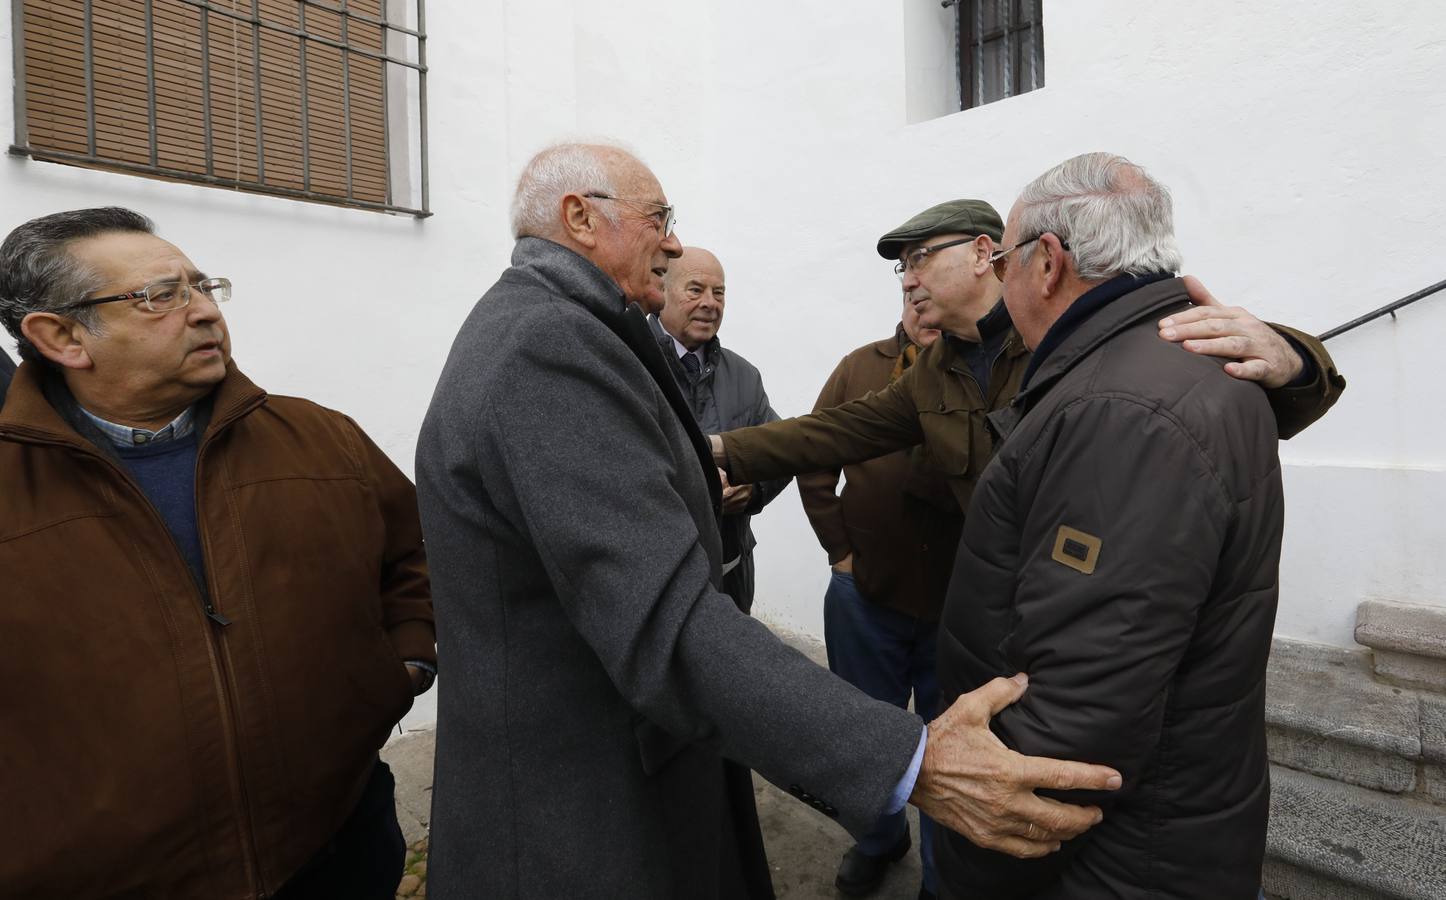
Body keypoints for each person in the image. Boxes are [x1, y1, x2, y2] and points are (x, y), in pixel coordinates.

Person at [416, 142, 1122, 900]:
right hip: (579, 803)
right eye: (661, 218)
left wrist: (1274, 364)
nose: (676, 242)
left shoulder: (560, 328)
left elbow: (1166, 374)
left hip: (1016, 617)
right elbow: (681, 610)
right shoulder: (548, 342)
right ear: (580, 217)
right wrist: (907, 760)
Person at [713, 198, 1344, 900]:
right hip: (989, 621)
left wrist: (1299, 361)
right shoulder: (937, 367)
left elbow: (1179, 352)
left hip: (1077, 634)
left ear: (990, 254)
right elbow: (837, 430)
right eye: (901, 265)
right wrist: (713, 449)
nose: (907, 277)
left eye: (922, 257)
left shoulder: (1060, 332)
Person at [0, 208, 436, 900]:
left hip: (335, 851)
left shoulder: (320, 438)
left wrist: (403, 664)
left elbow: (414, 559)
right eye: (161, 296)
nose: (204, 312)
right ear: (62, 336)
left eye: (203, 286)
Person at [936, 151, 1292, 898]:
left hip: (1114, 860)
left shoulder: (1123, 411)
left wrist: (977, 860)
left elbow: (1080, 709)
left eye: (1002, 261)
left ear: (1049, 263)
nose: (1000, 285)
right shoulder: (1169, 361)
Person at [797, 290, 954, 897]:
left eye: (933, 293)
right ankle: (880, 840)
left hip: (954, 608)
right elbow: (813, 459)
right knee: (867, 735)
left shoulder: (984, 375)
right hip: (865, 598)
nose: (923, 305)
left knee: (950, 744)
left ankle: (942, 880)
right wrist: (840, 552)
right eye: (912, 293)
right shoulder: (860, 366)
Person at [650, 246, 790, 613]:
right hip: (654, 576)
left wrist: (753, 487)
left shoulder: (744, 375)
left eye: (719, 292)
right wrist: (701, 490)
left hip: (730, 574)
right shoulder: (631, 363)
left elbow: (779, 450)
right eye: (695, 290)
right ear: (662, 290)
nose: (710, 303)